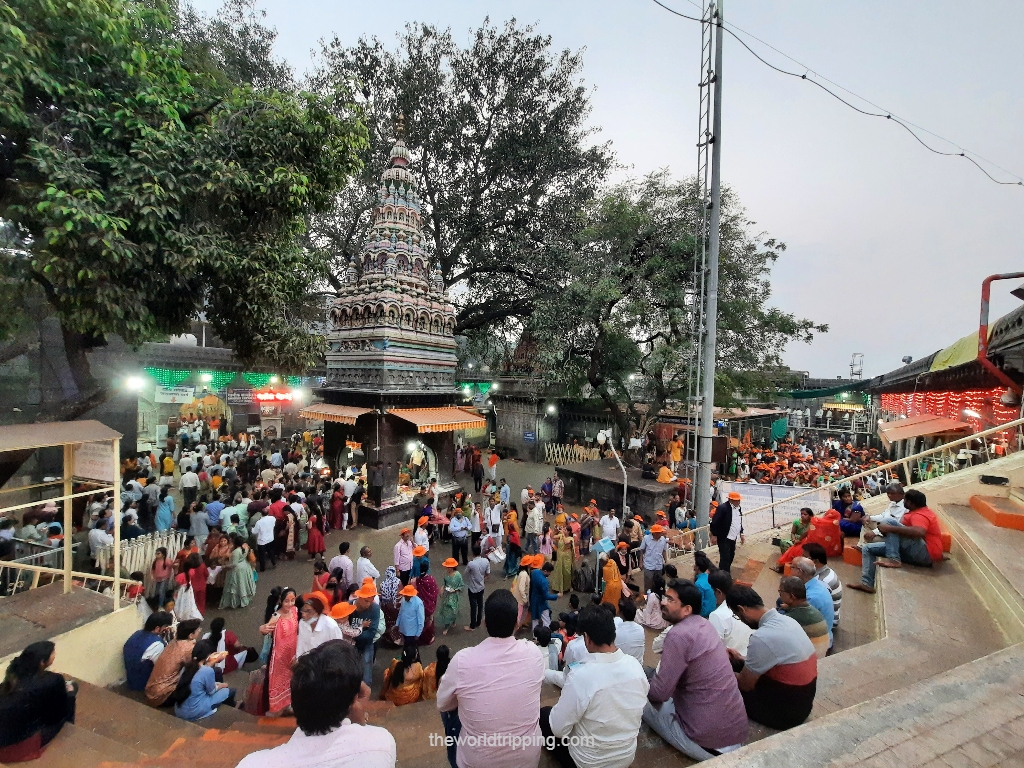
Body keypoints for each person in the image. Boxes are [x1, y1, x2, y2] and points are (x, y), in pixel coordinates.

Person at [235, 641, 397, 768]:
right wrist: (359, 724)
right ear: (353, 702)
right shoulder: (381, 744)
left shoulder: (253, 764)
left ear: (295, 701)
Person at [437, 589, 546, 768]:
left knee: (451, 708)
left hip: (476, 762)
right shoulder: (533, 653)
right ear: (517, 624)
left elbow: (442, 704)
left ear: (485, 623)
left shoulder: (463, 660)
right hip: (528, 759)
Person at [644, 579, 748, 761]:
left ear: (687, 609)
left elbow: (659, 693)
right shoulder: (704, 624)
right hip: (735, 732)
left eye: (670, 600)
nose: (662, 602)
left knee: (638, 699)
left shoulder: (678, 635)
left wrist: (641, 687)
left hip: (708, 744)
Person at [541, 606, 649, 768]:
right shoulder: (635, 666)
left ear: (587, 638)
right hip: (626, 756)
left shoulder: (581, 676)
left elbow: (558, 730)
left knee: (544, 716)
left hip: (588, 762)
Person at [726, 585, 817, 730]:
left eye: (737, 616)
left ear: (742, 609)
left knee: (722, 683)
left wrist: (719, 669)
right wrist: (741, 659)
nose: (740, 620)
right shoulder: (787, 621)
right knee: (735, 663)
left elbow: (745, 685)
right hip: (802, 704)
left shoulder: (761, 637)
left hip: (783, 715)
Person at [849, 488, 943, 594]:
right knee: (867, 548)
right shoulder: (915, 511)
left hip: (926, 554)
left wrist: (890, 529)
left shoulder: (920, 515)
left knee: (889, 522)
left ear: (911, 503)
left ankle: (894, 559)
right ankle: (867, 583)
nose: (904, 502)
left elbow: (919, 532)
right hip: (916, 551)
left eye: (906, 500)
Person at [0, 641, 77, 762]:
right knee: (70, 693)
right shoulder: (52, 680)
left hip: (4, 740)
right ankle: (69, 729)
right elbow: (57, 714)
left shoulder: (13, 675)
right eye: (53, 654)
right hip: (17, 748)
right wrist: (70, 694)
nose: (55, 655)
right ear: (42, 662)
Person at [260, 587, 299, 716]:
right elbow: (265, 629)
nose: (290, 604)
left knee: (291, 680)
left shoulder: (295, 611)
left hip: (292, 654)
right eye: (287, 601)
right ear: (281, 601)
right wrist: (263, 628)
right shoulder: (276, 616)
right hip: (279, 659)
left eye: (292, 600)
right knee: (278, 682)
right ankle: (276, 709)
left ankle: (288, 704)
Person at [173, 640, 235, 721]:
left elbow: (199, 678)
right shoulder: (207, 671)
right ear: (208, 656)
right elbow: (211, 691)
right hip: (193, 712)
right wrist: (223, 685)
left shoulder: (186, 667)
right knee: (229, 691)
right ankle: (232, 706)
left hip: (179, 710)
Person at [146, 619, 202, 707]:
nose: (199, 631)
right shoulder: (187, 648)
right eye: (198, 630)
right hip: (163, 695)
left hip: (151, 690)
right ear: (191, 635)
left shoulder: (174, 641)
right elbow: (195, 665)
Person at [777, 577, 829, 659]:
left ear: (792, 596)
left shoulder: (789, 618)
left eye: (781, 592)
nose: (780, 595)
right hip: (820, 652)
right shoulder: (811, 609)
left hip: (809, 659)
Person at [791, 557, 835, 648]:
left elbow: (798, 624)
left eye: (792, 567)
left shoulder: (811, 597)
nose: (790, 570)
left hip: (816, 643)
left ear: (799, 571)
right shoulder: (817, 583)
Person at [707, 569, 751, 656]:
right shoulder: (745, 602)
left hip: (731, 662)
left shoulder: (717, 615)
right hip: (749, 657)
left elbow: (713, 648)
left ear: (718, 592)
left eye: (711, 591)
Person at [123, 612, 172, 691]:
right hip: (143, 684)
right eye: (165, 627)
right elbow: (161, 667)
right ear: (157, 628)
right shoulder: (157, 644)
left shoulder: (137, 633)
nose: (165, 629)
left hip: (131, 678)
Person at [351, 581, 383, 686]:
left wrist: (353, 634)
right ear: (359, 597)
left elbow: (370, 635)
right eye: (366, 601)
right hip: (350, 646)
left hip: (366, 646)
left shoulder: (375, 609)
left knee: (366, 677)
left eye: (371, 600)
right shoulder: (349, 607)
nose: (368, 604)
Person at [803, 542, 842, 625]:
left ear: (815, 561)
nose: (801, 560)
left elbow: (814, 604)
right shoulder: (826, 571)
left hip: (829, 621)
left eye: (804, 557)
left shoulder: (822, 581)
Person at [298, 592, 345, 658]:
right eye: (303, 610)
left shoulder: (331, 626)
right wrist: (298, 659)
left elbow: (338, 649)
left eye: (308, 611)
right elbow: (301, 643)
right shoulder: (302, 622)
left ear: (317, 612)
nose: (303, 615)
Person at [709, 491, 744, 573]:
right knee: (725, 558)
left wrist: (741, 533)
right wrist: (714, 535)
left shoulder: (738, 508)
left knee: (731, 555)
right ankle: (724, 575)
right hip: (724, 537)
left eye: (739, 500)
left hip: (733, 537)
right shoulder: (723, 508)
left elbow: (738, 522)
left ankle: (723, 572)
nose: (738, 502)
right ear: (731, 500)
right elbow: (715, 522)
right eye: (737, 500)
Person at [463, 544, 490, 632]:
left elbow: (465, 574)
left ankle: (472, 625)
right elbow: (487, 574)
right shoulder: (485, 561)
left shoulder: (471, 564)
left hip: (472, 587)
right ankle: (478, 622)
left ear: (473, 553)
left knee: (473, 606)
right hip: (481, 586)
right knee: (480, 604)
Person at [639, 523, 669, 592]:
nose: (661, 534)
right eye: (659, 533)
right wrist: (641, 562)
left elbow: (664, 551)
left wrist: (666, 561)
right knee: (648, 585)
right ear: (654, 533)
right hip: (648, 565)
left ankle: (657, 597)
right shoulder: (646, 538)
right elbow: (642, 551)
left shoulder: (663, 539)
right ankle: (647, 600)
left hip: (659, 565)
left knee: (658, 584)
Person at [437, 558, 464, 636]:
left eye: (449, 567)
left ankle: (453, 621)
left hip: (454, 595)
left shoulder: (458, 575)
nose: (448, 568)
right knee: (447, 611)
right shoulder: (446, 575)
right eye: (447, 567)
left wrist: (455, 590)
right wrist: (442, 589)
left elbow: (461, 585)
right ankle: (446, 626)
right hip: (447, 595)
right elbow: (444, 584)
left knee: (453, 610)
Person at [397, 584, 425, 657]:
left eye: (406, 595)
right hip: (404, 630)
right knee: (407, 650)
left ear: (410, 595)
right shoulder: (404, 600)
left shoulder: (418, 603)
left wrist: (418, 634)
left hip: (412, 633)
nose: (404, 596)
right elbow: (401, 613)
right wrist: (397, 624)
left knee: (412, 651)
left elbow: (421, 620)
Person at [614, 598, 646, 665]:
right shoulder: (641, 629)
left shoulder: (617, 632)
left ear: (621, 613)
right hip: (638, 666)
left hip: (623, 667)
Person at [378, 567, 403, 647]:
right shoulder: (398, 582)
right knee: (396, 622)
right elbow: (401, 594)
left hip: (386, 607)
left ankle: (389, 639)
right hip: (396, 607)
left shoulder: (382, 584)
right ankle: (397, 640)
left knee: (388, 622)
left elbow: (380, 596)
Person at [417, 559, 440, 646]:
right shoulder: (431, 579)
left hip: (421, 605)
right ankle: (429, 638)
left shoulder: (418, 580)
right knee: (430, 620)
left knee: (422, 620)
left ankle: (422, 637)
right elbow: (435, 592)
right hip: (430, 605)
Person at [531, 560, 559, 629]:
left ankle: (535, 636)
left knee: (535, 619)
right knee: (546, 619)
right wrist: (557, 595)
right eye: (549, 572)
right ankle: (546, 633)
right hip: (541, 602)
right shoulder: (544, 582)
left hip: (533, 599)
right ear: (546, 571)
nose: (550, 574)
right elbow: (546, 596)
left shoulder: (535, 572)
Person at [549, 520, 575, 592]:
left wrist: (562, 534)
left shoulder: (570, 538)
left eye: (565, 529)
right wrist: (555, 530)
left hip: (566, 556)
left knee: (566, 571)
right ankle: (557, 587)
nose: (563, 530)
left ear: (568, 532)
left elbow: (566, 542)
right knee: (558, 571)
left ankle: (567, 586)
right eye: (564, 529)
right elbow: (552, 536)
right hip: (560, 555)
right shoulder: (560, 535)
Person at [692, 551, 717, 618]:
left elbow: (699, 602)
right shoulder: (709, 577)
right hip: (713, 607)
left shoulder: (699, 584)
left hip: (705, 612)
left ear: (697, 567)